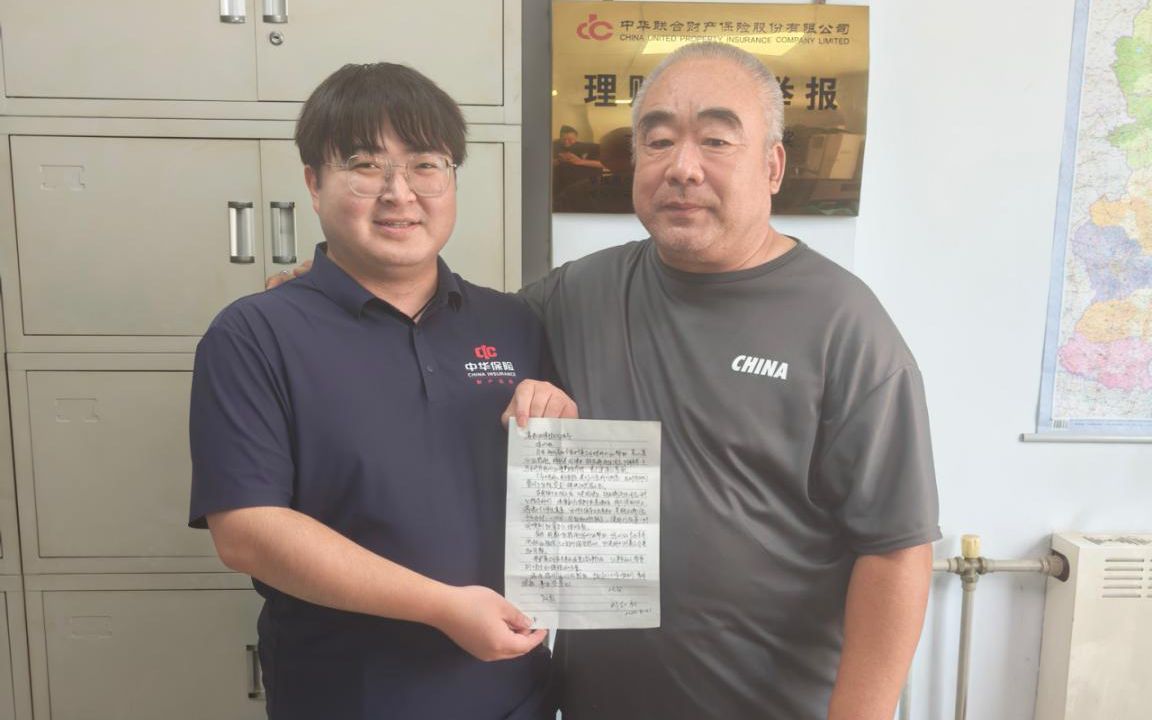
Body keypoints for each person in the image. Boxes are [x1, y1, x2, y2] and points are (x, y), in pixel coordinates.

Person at [508, 42, 940, 719]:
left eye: (715, 140)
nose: (682, 167)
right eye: (657, 141)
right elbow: (458, 341)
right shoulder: (581, 293)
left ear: (772, 165)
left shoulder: (843, 323)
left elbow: (896, 551)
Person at [188, 63, 567, 720]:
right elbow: (246, 531)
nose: (400, 193)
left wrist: (562, 425)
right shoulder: (255, 334)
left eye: (426, 165)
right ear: (314, 182)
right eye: (365, 166)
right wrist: (442, 606)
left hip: (512, 691)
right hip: (346, 695)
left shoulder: (513, 323)